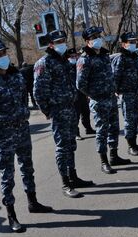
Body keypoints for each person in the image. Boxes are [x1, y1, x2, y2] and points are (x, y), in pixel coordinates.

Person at [0, 39, 53, 233]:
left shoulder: (16, 76)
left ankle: (32, 202)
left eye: (3, 53)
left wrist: (23, 117)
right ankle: (11, 214)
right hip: (3, 133)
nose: (3, 57)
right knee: (7, 175)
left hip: (22, 129)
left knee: (28, 167)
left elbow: (24, 99)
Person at [33, 30, 95, 198]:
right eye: (59, 41)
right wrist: (48, 111)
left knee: (70, 145)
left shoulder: (64, 61)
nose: (63, 43)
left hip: (70, 107)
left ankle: (73, 177)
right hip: (58, 110)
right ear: (51, 44)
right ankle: (65, 183)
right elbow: (38, 92)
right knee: (62, 147)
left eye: (64, 40)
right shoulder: (44, 63)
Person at [76, 26, 131, 174]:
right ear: (87, 41)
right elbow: (80, 83)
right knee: (102, 131)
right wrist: (92, 94)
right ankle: (104, 161)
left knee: (114, 128)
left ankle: (114, 156)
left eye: (98, 36)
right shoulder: (85, 59)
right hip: (99, 100)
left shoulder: (104, 55)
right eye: (94, 37)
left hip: (111, 97)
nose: (98, 39)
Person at [112, 31, 138, 156]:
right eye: (130, 42)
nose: (133, 44)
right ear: (123, 44)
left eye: (134, 41)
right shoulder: (121, 58)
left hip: (133, 92)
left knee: (135, 119)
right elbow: (115, 77)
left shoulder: (133, 56)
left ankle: (134, 143)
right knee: (129, 120)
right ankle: (130, 146)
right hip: (126, 94)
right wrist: (117, 91)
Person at [66, 48, 96, 139]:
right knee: (75, 116)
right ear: (68, 58)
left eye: (75, 56)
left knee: (86, 112)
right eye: (71, 56)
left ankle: (88, 128)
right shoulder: (66, 68)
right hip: (73, 96)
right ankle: (76, 133)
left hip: (82, 93)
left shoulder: (79, 65)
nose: (74, 58)